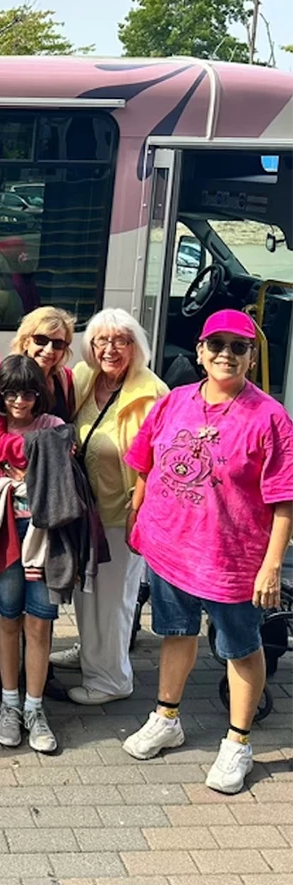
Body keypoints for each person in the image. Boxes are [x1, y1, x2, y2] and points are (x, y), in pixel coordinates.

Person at [121, 309, 293, 794]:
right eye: (216, 345)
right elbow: (143, 462)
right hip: (170, 548)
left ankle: (238, 742)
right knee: (176, 633)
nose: (226, 355)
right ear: (199, 351)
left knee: (241, 648)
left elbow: (284, 498)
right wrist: (139, 518)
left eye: (238, 347)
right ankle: (166, 717)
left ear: (252, 356)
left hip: (232, 560)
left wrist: (272, 565)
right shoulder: (174, 402)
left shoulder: (271, 418)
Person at [48, 309, 168, 705]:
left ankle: (112, 679)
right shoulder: (84, 378)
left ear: (136, 346)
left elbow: (158, 465)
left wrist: (142, 515)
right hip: (85, 511)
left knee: (114, 597)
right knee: (88, 590)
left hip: (123, 514)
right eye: (101, 340)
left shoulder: (152, 393)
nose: (110, 349)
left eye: (121, 340)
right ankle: (92, 654)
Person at [0, 306, 78, 698]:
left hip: (45, 506)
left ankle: (36, 678)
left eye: (59, 343)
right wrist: (39, 450)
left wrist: (54, 450)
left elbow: (69, 436)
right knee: (4, 593)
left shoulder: (65, 381)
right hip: (0, 495)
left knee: (37, 606)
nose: (49, 349)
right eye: (41, 340)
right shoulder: (6, 377)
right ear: (26, 337)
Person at [0, 355, 64, 754]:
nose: (20, 402)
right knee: (7, 620)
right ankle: (10, 705)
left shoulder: (55, 428)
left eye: (28, 392)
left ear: (40, 394)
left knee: (39, 625)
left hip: (44, 535)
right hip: (2, 533)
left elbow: (62, 489)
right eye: (11, 393)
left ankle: (35, 708)